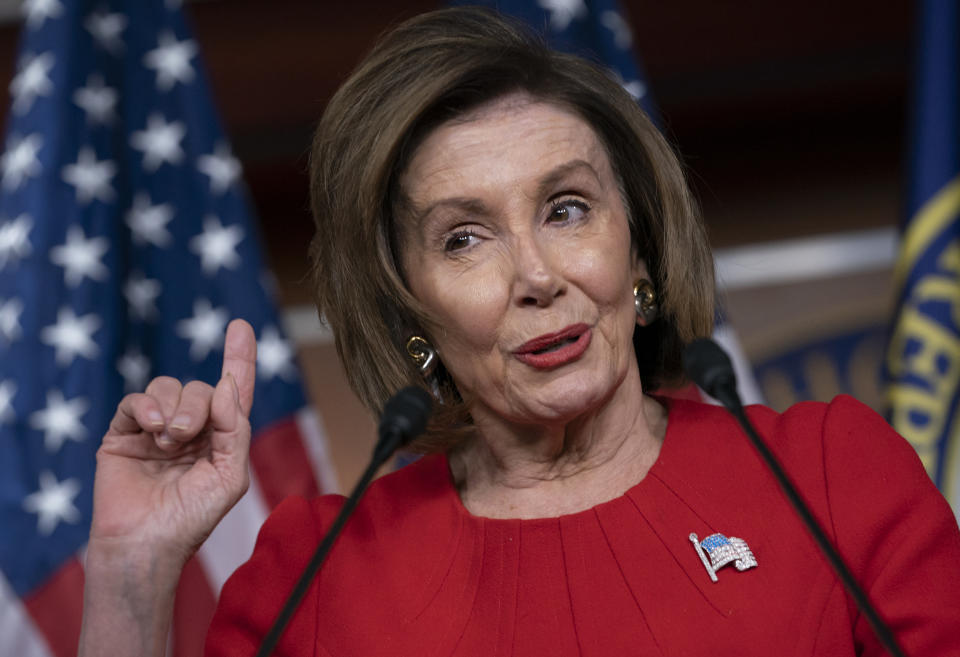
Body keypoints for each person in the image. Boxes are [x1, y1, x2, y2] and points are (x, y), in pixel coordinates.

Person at [79, 7, 960, 657]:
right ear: (407, 306)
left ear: (640, 252)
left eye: (567, 209)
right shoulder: (317, 575)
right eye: (464, 237)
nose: (537, 276)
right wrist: (132, 572)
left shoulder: (831, 476)